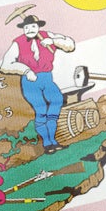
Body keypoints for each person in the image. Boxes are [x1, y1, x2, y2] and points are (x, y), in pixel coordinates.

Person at [7, 8, 76, 143]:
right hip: (30, 81)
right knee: (41, 109)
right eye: (27, 27)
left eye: (33, 26)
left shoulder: (47, 35)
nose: (30, 29)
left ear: (38, 27)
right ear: (23, 29)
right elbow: (6, 64)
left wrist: (54, 41)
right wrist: (26, 71)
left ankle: (53, 140)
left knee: (57, 100)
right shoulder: (18, 43)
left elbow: (70, 45)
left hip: (47, 77)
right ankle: (46, 142)